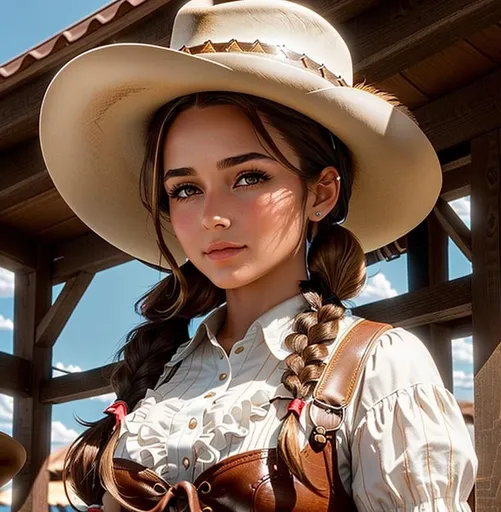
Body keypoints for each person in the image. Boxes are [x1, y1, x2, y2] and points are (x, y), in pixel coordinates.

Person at [39, 0, 477, 510]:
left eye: (249, 177)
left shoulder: (379, 366)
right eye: (184, 189)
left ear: (321, 193)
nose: (212, 216)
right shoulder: (160, 373)